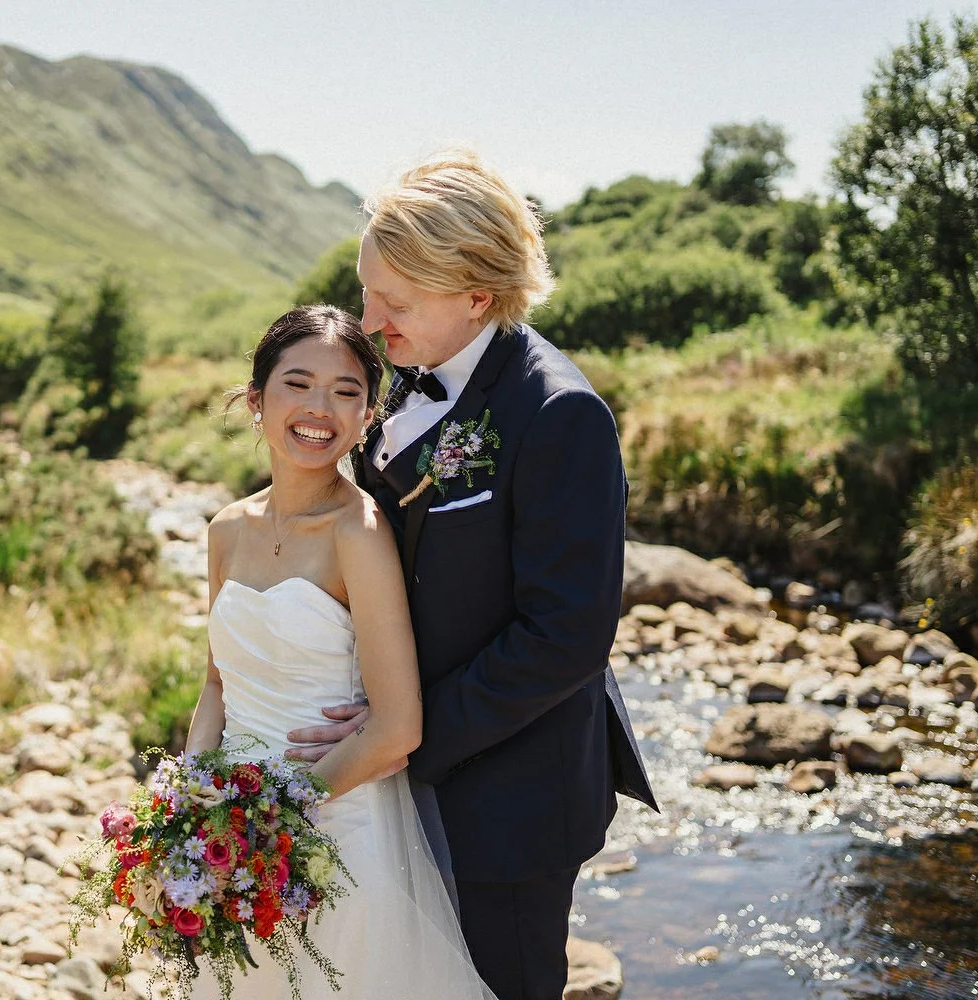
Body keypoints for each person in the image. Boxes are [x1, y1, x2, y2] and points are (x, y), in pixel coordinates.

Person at [285, 150, 658, 1000]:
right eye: (367, 288)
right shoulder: (403, 372)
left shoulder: (560, 417)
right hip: (388, 784)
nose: (369, 320)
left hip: (506, 805)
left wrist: (402, 738)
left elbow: (564, 637)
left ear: (477, 295)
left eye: (394, 301)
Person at [186, 304, 497, 999]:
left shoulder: (358, 532)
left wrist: (277, 817)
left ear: (367, 414)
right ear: (256, 398)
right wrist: (191, 796)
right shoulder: (225, 530)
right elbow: (216, 682)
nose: (318, 408)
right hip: (231, 834)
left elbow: (396, 729)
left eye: (347, 391)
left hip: (335, 827)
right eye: (297, 383)